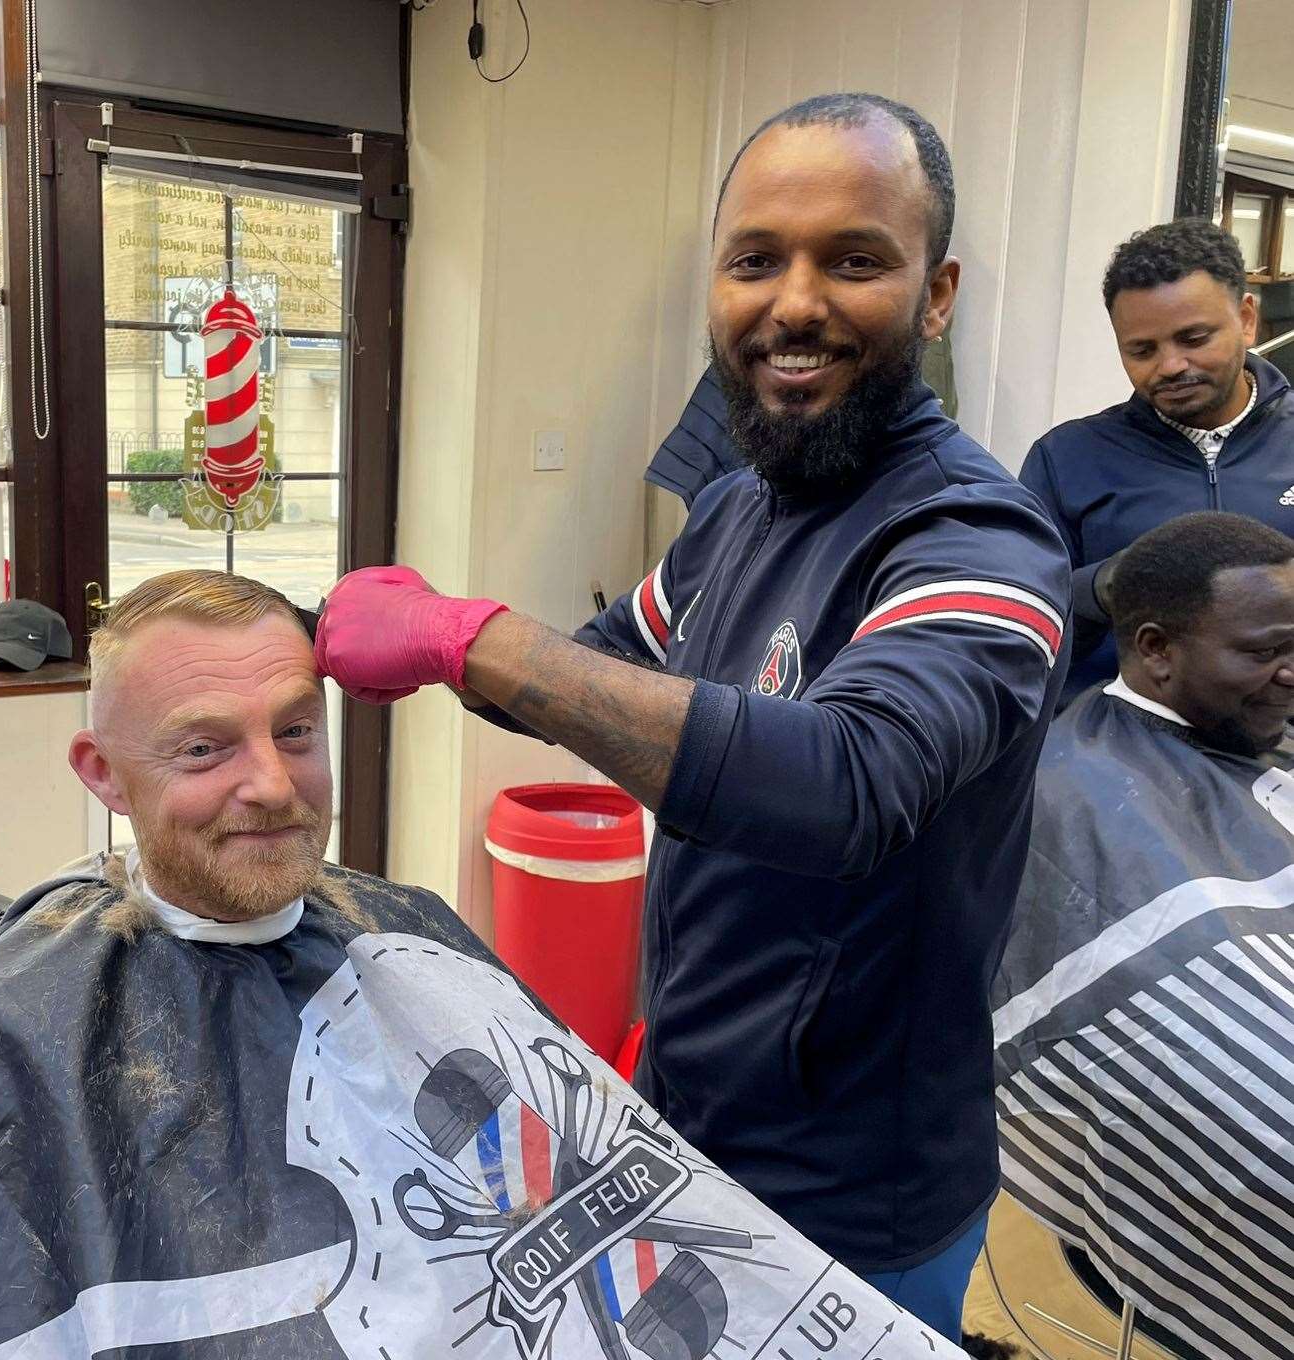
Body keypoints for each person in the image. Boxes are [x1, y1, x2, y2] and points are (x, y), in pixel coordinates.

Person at [314, 93, 1072, 1343]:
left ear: (934, 297)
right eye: (755, 259)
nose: (793, 301)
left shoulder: (974, 541)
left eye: (853, 260)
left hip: (850, 1195)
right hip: (683, 1119)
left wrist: (474, 634)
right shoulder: (737, 509)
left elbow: (847, 778)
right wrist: (420, 646)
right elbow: (602, 674)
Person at [0, 569, 968, 1360]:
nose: (269, 781)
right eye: (204, 747)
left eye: (294, 729)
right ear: (100, 770)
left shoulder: (403, 933)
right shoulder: (4, 1031)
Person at [992, 511, 1294, 1358]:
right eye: (1261, 651)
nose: (1289, 673)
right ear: (1155, 649)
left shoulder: (1243, 728)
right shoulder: (1075, 791)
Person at [1020, 218, 1294, 706]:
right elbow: (1024, 632)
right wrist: (1104, 588)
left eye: (1194, 339)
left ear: (1247, 319)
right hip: (1115, 750)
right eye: (1142, 349)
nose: (1170, 366)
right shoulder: (1067, 459)